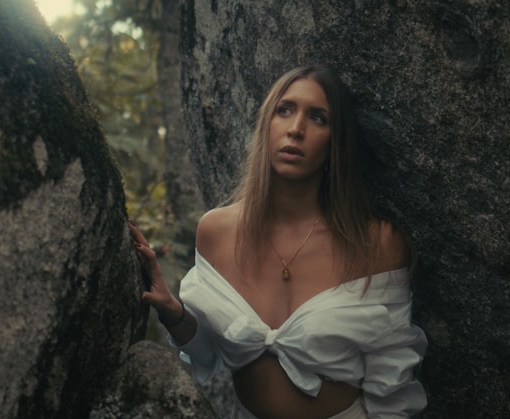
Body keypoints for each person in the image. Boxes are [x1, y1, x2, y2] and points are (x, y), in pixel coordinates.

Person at [129, 64, 427, 418]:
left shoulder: (376, 244)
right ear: (266, 125)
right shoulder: (217, 231)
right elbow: (207, 351)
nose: (296, 129)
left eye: (318, 118)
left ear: (335, 142)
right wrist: (171, 310)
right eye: (284, 110)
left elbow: (391, 381)